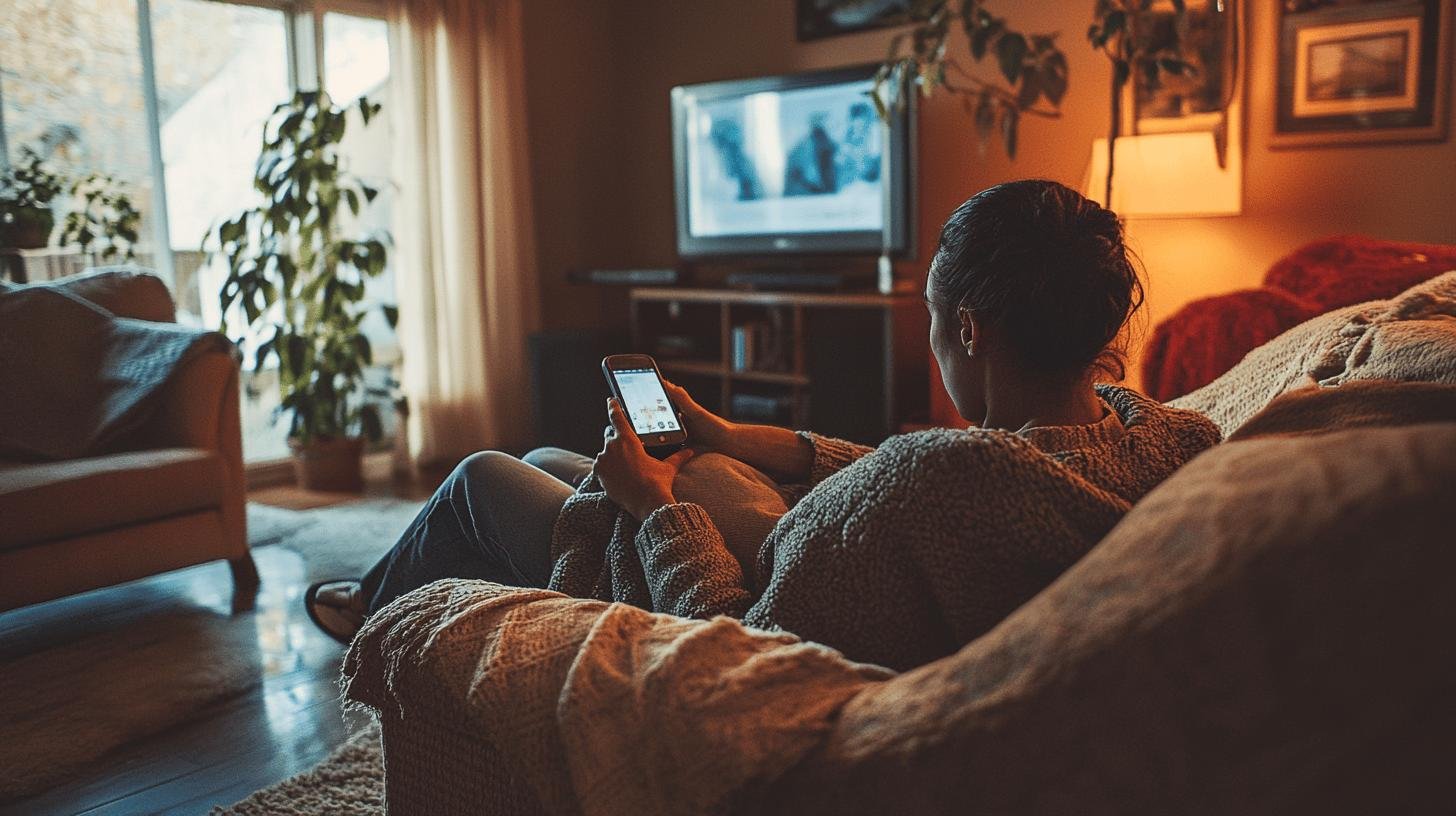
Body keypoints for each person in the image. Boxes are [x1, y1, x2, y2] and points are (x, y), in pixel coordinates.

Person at [307, 180, 1220, 670]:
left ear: (971, 328)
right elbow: (918, 469)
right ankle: (393, 595)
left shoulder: (942, 485)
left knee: (479, 476)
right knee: (550, 456)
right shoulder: (1162, 437)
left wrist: (659, 507)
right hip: (767, 524)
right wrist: (735, 439)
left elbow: (746, 657)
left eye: (935, 319)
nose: (934, 341)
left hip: (690, 569)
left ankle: (375, 614)